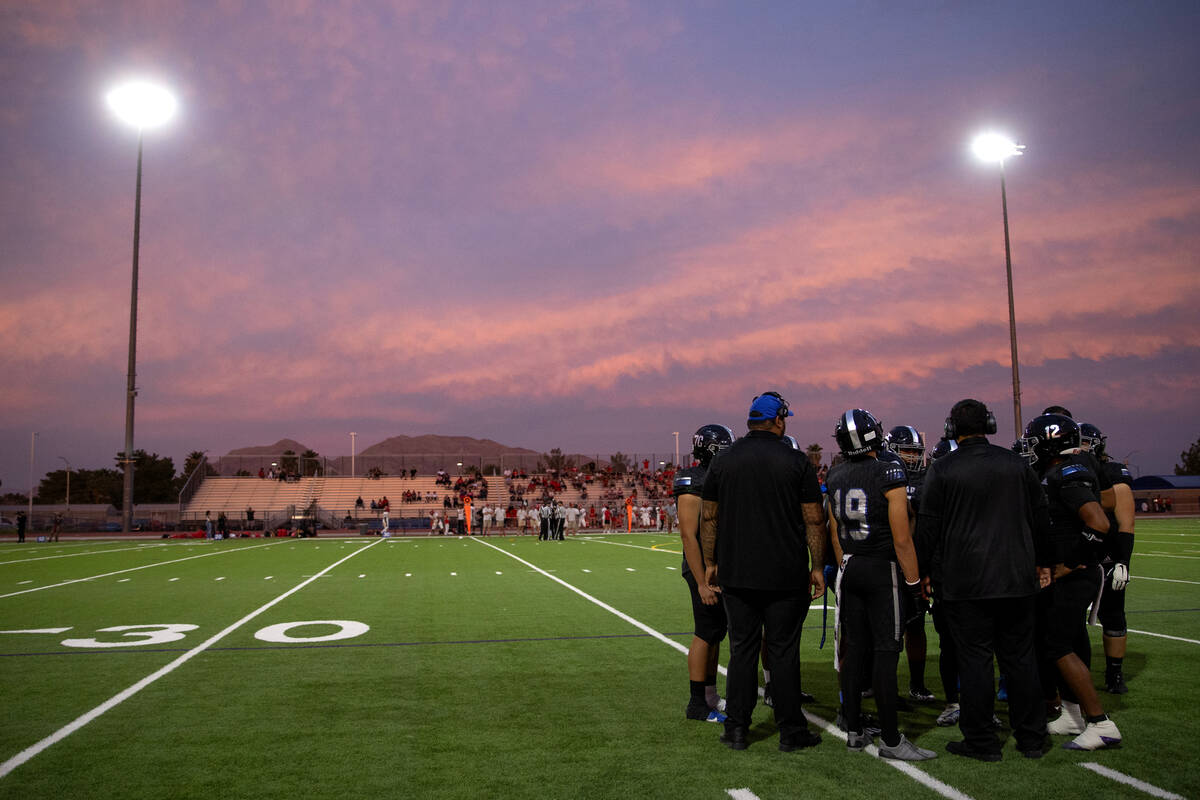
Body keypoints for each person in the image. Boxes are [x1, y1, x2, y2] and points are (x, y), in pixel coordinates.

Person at [919, 399, 1051, 761]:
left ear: (951, 429)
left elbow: (928, 527)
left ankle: (981, 741)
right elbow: (1042, 519)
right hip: (1016, 577)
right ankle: (1031, 738)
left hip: (965, 582)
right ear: (989, 424)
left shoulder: (942, 469)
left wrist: (924, 570)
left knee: (975, 662)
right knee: (1020, 659)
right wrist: (1044, 563)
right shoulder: (1017, 465)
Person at [700, 391, 826, 752]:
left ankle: (737, 728)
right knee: (783, 651)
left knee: (742, 650)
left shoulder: (724, 461)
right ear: (779, 420)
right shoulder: (796, 461)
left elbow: (709, 516)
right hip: (785, 573)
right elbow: (814, 520)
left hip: (737, 573)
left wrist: (710, 562)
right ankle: (791, 731)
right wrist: (816, 566)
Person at [827, 410, 935, 760]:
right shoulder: (888, 471)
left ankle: (855, 730)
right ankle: (891, 740)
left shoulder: (837, 472)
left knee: (855, 650)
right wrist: (915, 583)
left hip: (851, 566)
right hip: (882, 568)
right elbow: (902, 539)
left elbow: (834, 529)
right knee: (886, 655)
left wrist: (846, 560)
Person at [1023, 413, 1123, 751]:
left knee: (1057, 645)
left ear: (1050, 442)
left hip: (1075, 573)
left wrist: (1068, 564)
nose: (1030, 449)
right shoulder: (1065, 470)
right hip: (1072, 571)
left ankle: (1100, 722)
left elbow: (1099, 523)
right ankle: (1073, 713)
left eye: (1034, 442)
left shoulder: (1067, 473)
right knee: (1068, 640)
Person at [675, 424, 735, 723]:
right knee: (705, 632)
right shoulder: (692, 481)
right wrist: (701, 582)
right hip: (702, 569)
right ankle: (697, 704)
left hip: (720, 568)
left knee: (716, 633)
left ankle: (710, 695)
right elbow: (689, 536)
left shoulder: (719, 478)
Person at [1079, 423, 1136, 695]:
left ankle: (1114, 673)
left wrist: (1123, 561)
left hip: (1107, 555)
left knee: (1113, 615)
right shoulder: (1065, 470)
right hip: (1075, 554)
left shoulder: (1111, 473)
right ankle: (1075, 673)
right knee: (1068, 619)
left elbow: (1126, 523)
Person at [885, 425, 936, 704]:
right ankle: (880, 684)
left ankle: (917, 683)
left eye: (915, 452)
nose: (911, 457)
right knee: (886, 632)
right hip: (888, 564)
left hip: (916, 564)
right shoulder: (883, 474)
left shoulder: (928, 479)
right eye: (906, 450)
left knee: (916, 627)